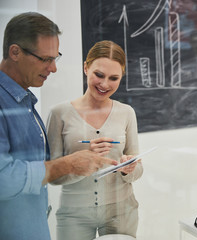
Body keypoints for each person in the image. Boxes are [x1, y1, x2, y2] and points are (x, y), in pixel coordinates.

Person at [0, 12, 118, 240]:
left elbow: (29, 163)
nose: (53, 68)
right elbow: (3, 179)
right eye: (45, 59)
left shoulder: (23, 99)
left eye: (56, 58)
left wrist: (75, 162)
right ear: (15, 52)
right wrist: (64, 165)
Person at [46, 40, 143, 239]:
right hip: (74, 214)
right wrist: (80, 163)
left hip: (122, 211)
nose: (105, 84)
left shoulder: (126, 113)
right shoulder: (59, 114)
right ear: (86, 67)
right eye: (99, 75)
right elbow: (50, 174)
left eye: (114, 78)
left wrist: (129, 168)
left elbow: (138, 167)